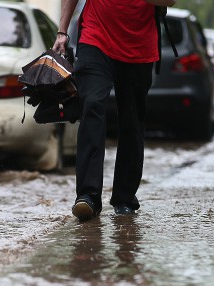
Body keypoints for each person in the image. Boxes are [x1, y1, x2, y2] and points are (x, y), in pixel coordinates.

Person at [52, 0, 177, 222]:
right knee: (91, 105)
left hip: (138, 46)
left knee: (132, 120)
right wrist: (62, 31)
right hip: (95, 37)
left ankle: (124, 199)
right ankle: (88, 196)